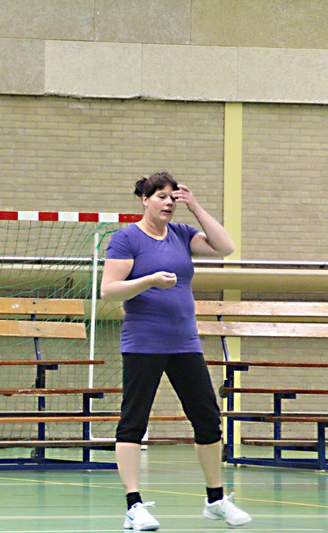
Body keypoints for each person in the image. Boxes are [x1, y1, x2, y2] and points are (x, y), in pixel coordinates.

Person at [100, 172, 252, 531]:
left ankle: (215, 500)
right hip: (143, 344)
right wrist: (150, 280)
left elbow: (225, 247)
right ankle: (134, 507)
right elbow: (109, 290)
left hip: (185, 343)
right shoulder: (126, 239)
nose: (168, 203)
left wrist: (195, 206)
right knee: (133, 423)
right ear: (145, 199)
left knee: (207, 420)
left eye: (173, 197)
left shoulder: (182, 234)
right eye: (161, 196)